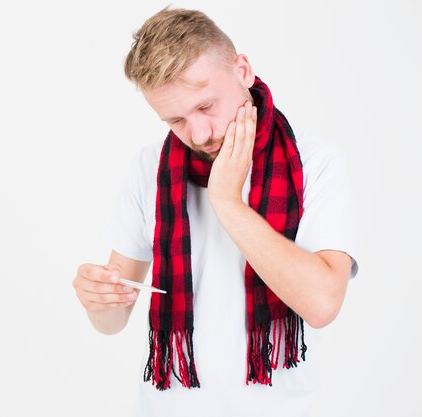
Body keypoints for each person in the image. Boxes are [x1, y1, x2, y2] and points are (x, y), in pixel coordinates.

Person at [72, 7, 358, 417]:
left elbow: (321, 304)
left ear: (242, 70)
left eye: (206, 106)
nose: (199, 134)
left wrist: (226, 201)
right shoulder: (150, 166)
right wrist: (99, 300)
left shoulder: (316, 161)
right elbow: (113, 319)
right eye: (176, 120)